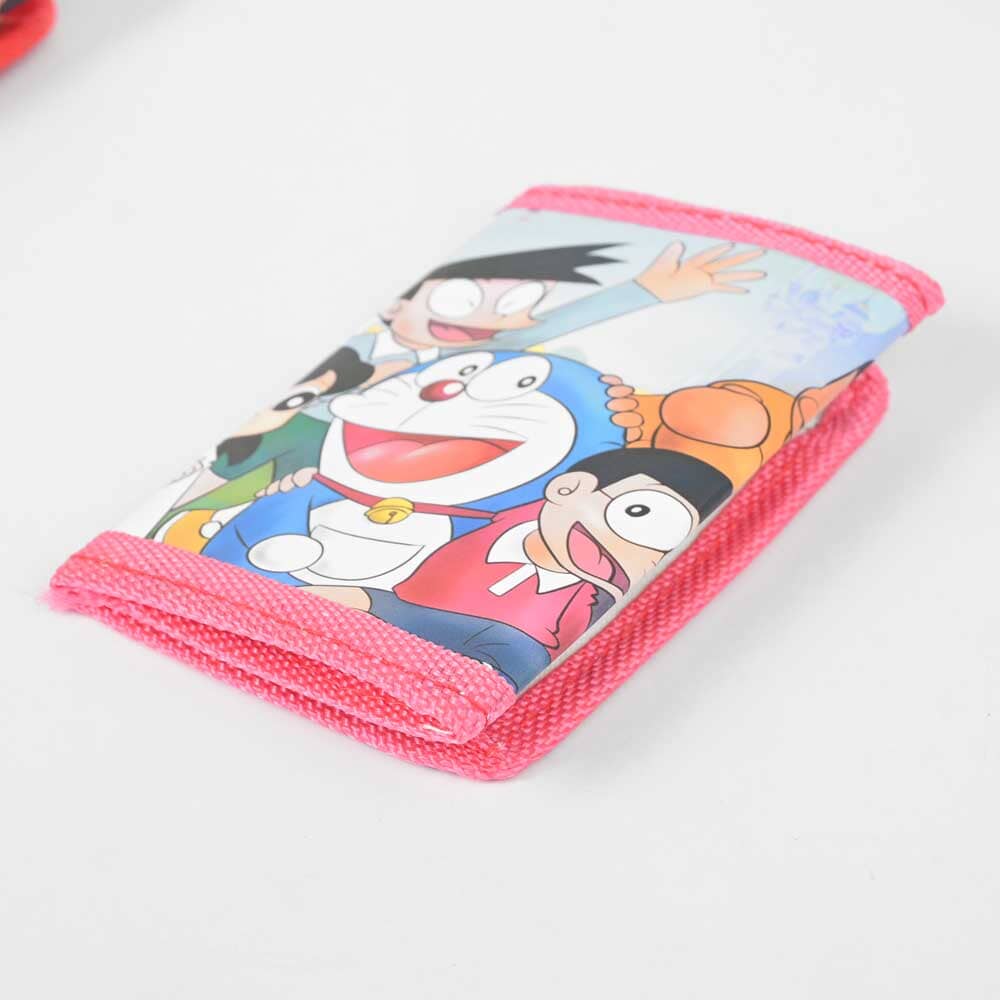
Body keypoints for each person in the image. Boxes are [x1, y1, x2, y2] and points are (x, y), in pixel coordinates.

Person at [306, 447, 733, 691]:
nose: (632, 551)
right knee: (338, 599)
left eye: (661, 543)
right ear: (568, 488)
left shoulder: (593, 592)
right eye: (637, 513)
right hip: (402, 609)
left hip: (501, 652)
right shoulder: (482, 513)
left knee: (518, 653)